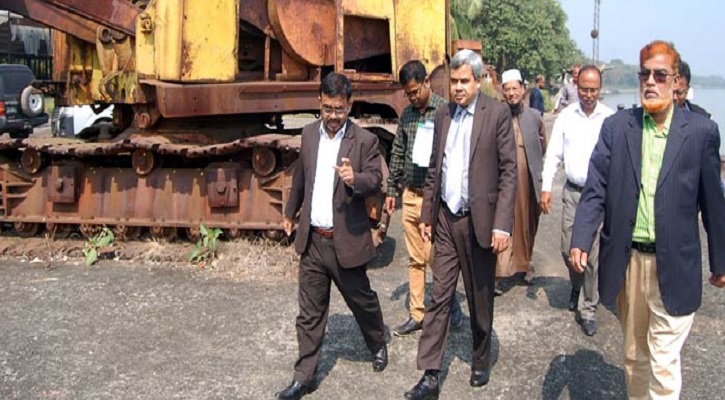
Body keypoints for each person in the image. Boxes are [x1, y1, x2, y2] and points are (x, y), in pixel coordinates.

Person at [570, 40, 725, 399]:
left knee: (663, 359)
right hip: (629, 263)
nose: (651, 82)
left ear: (677, 81)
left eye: (660, 75)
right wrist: (581, 237)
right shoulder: (618, 128)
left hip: (676, 265)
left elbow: (714, 204)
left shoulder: (700, 132)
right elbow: (596, 187)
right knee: (634, 356)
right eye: (645, 75)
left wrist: (720, 262)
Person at [403, 49, 517, 400]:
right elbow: (434, 169)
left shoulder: (496, 114)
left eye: (464, 81)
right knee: (439, 296)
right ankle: (430, 373)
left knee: (480, 298)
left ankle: (480, 359)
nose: (458, 88)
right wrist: (427, 216)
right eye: (453, 81)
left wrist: (502, 225)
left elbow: (509, 172)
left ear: (479, 81)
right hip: (446, 220)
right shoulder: (443, 115)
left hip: (479, 222)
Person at [277, 73, 388, 400]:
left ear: (349, 105)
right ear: (320, 103)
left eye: (339, 109)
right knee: (309, 313)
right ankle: (304, 376)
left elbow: (375, 179)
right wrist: (289, 212)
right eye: (327, 108)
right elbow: (301, 177)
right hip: (313, 240)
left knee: (362, 301)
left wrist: (355, 179)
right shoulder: (309, 134)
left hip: (346, 242)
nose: (333, 115)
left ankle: (377, 342)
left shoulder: (364, 140)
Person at [385, 60, 463, 337]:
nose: (412, 97)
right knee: (415, 259)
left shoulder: (446, 111)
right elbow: (397, 151)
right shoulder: (407, 115)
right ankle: (417, 314)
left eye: (416, 91)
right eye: (408, 93)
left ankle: (450, 303)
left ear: (427, 82)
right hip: (410, 194)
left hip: (435, 200)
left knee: (436, 257)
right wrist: (391, 190)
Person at [540, 65, 614, 337]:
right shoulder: (567, 116)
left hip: (599, 196)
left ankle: (588, 308)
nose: (589, 95)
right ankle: (577, 285)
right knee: (568, 249)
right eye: (584, 89)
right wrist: (546, 188)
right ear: (576, 87)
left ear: (600, 90)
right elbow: (553, 155)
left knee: (592, 255)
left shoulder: (610, 119)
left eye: (594, 90)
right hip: (572, 193)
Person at [496, 69, 546, 285]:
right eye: (507, 89)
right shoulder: (497, 116)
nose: (511, 93)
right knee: (502, 223)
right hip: (503, 182)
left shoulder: (534, 117)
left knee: (527, 225)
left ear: (523, 89)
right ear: (503, 92)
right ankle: (499, 274)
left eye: (515, 88)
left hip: (528, 183)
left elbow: (542, 146)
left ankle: (526, 264)